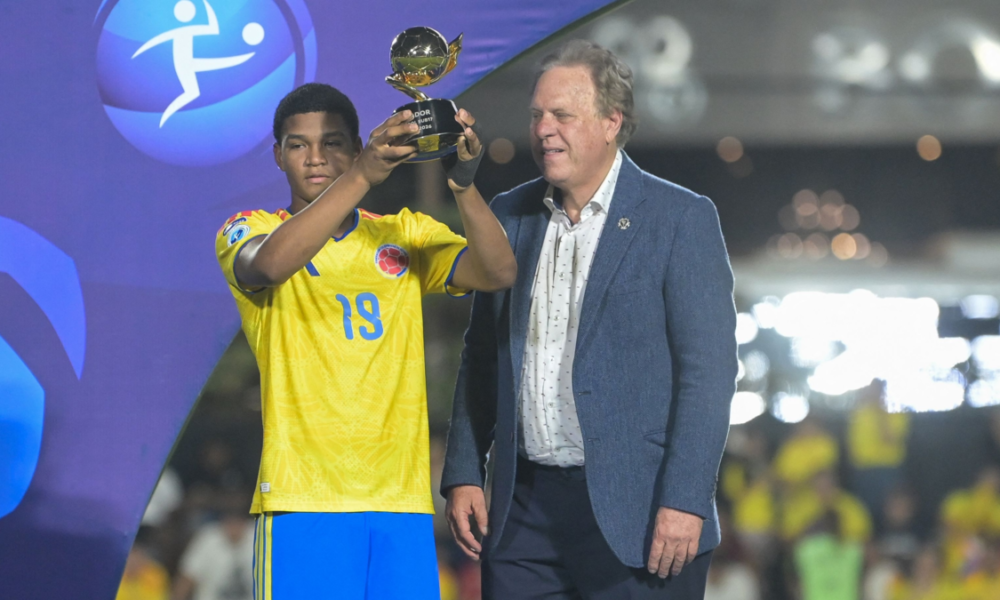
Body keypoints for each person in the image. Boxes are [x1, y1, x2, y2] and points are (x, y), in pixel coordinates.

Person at [442, 40, 738, 599]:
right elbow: (481, 351)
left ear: (610, 122)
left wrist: (684, 499)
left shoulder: (681, 218)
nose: (544, 129)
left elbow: (710, 375)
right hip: (521, 511)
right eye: (536, 115)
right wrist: (463, 470)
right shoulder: (507, 213)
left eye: (562, 115)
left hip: (641, 512)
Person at [214, 83, 516, 600]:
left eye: (332, 143)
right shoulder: (249, 229)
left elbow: (498, 271)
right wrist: (362, 175)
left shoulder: (404, 232)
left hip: (401, 502)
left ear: (354, 147)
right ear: (278, 157)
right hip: (303, 501)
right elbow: (268, 265)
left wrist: (464, 186)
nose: (315, 158)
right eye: (298, 144)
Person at [171, 507, 254, 600]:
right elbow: (187, 578)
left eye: (238, 523)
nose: (234, 528)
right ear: (223, 523)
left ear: (245, 523)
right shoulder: (208, 538)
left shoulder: (262, 537)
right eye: (230, 523)